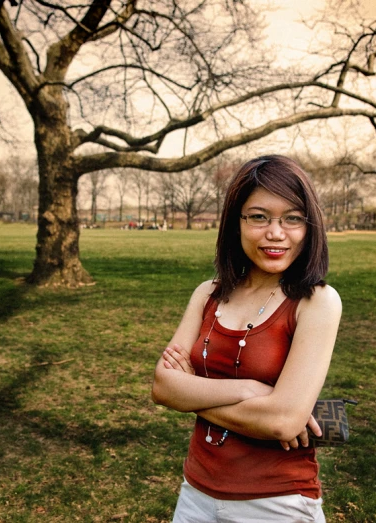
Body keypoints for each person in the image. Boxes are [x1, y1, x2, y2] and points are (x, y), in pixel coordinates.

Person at [151, 155, 342, 522]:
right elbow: (162, 386)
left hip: (276, 503)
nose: (275, 232)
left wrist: (188, 393)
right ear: (235, 222)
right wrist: (251, 390)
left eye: (293, 218)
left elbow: (283, 422)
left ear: (309, 226)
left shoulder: (317, 302)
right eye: (258, 217)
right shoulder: (208, 294)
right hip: (195, 495)